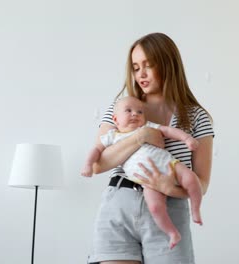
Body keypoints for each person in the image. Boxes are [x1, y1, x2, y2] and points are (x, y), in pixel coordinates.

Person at [86, 32, 214, 264]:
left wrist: (170, 188)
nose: (141, 74)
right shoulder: (122, 109)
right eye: (135, 67)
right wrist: (141, 136)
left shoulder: (197, 117)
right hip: (119, 206)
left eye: (148, 65)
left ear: (167, 65)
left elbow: (202, 183)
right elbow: (98, 163)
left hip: (169, 210)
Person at [82, 96, 203, 249]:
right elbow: (96, 151)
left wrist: (186, 138)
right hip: (147, 182)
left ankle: (195, 209)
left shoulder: (147, 126)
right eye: (129, 111)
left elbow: (167, 131)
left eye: (140, 112)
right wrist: (87, 165)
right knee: (155, 207)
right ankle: (172, 232)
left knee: (191, 179)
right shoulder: (112, 137)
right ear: (115, 119)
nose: (135, 114)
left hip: (171, 165)